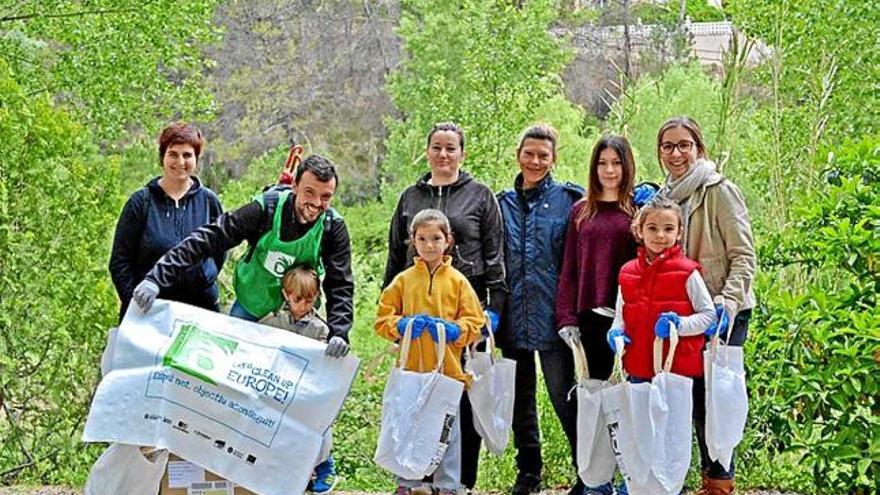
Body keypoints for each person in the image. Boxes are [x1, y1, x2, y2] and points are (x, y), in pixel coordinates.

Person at [382, 122, 506, 490]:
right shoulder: (409, 197)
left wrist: (492, 308)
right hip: (416, 311)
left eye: (451, 148)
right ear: (427, 151)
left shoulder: (480, 195)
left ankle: (458, 482)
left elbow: (495, 253)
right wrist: (396, 320)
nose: (443, 154)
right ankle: (412, 476)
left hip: (464, 309)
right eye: (437, 147)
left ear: (462, 153)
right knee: (415, 399)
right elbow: (395, 257)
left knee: (459, 402)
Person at [131, 154, 353, 358]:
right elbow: (210, 238)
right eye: (309, 192)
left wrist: (339, 332)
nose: (316, 203)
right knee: (226, 367)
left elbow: (339, 283)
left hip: (297, 319)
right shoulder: (266, 209)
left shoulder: (332, 227)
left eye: (325, 197)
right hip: (250, 308)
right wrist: (156, 278)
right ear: (294, 186)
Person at [652, 116, 756, 495]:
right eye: (668, 146)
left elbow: (744, 256)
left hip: (723, 313)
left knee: (718, 402)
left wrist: (726, 304)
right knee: (688, 398)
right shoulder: (665, 195)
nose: (676, 153)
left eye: (684, 145)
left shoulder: (719, 191)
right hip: (685, 315)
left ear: (699, 148)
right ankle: (697, 479)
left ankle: (720, 485)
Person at [495, 124, 585, 495]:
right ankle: (529, 470)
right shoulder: (500, 204)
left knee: (565, 396)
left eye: (543, 155)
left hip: (554, 316)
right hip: (512, 314)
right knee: (520, 399)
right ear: (519, 155)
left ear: (554, 159)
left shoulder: (571, 200)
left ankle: (588, 470)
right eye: (529, 153)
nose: (535, 161)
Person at [605, 198, 718, 493]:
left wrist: (679, 325)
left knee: (670, 437)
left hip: (674, 372)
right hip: (638, 367)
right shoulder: (627, 272)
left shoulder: (688, 272)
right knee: (639, 433)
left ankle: (670, 488)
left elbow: (707, 316)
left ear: (679, 232)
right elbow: (621, 316)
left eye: (668, 229)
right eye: (652, 228)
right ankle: (638, 486)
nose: (660, 235)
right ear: (639, 230)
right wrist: (616, 334)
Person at [375, 209, 485, 495]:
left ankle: (446, 484)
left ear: (448, 240)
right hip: (411, 370)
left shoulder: (458, 282)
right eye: (422, 238)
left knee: (446, 430)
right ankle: (408, 481)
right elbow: (382, 320)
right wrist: (403, 324)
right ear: (413, 240)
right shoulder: (403, 280)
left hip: (448, 371)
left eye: (436, 238)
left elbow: (475, 322)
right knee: (408, 425)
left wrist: (455, 330)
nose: (429, 245)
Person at [554, 135, 639, 494]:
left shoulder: (637, 210)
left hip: (625, 319)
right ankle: (593, 476)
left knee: (627, 401)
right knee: (594, 401)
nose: (608, 170)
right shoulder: (581, 211)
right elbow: (569, 269)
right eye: (602, 163)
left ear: (626, 167)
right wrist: (566, 318)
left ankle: (630, 476)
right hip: (589, 318)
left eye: (616, 163)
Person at [109, 122, 224, 322]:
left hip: (200, 312)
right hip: (149, 314)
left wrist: (204, 279)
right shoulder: (141, 202)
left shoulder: (209, 202)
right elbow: (120, 261)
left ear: (196, 158)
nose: (180, 162)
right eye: (173, 154)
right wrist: (134, 304)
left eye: (187, 155)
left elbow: (220, 251)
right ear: (162, 157)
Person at [260, 265, 337, 493]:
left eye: (310, 301)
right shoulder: (272, 320)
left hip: (307, 387)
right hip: (278, 385)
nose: (303, 306)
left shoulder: (319, 328)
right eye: (298, 299)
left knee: (320, 422)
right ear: (286, 295)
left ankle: (324, 465)